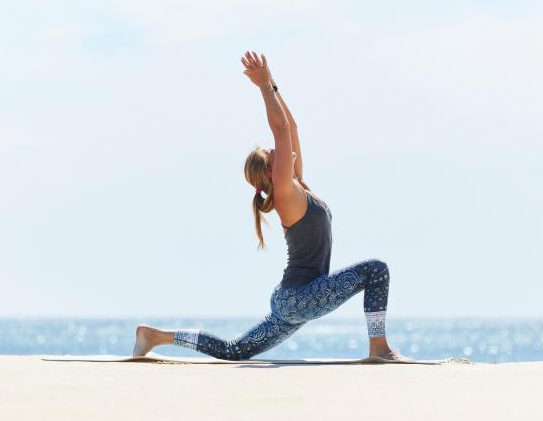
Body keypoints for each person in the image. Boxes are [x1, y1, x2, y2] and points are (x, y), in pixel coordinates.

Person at [132, 51, 405, 361]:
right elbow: (282, 130)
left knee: (234, 351)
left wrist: (271, 82)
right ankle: (379, 349)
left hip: (292, 298)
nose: (279, 148)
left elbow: (292, 128)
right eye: (272, 152)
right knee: (376, 271)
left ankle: (154, 336)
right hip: (300, 297)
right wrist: (262, 88)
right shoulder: (286, 193)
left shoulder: (297, 186)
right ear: (272, 174)